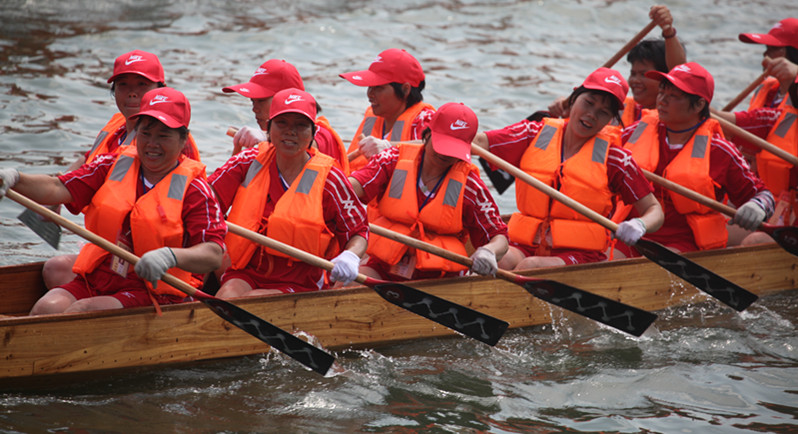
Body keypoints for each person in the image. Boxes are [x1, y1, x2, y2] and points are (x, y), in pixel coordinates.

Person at [0, 87, 226, 315]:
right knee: (46, 308)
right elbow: (57, 187)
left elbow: (213, 254)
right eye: (145, 133)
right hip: (104, 274)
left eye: (163, 135)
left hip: (155, 289)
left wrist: (169, 256)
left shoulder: (196, 190)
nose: (152, 144)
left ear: (183, 139)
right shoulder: (113, 164)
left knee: (81, 311)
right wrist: (16, 178)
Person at [41, 49, 202, 290]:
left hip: (157, 262)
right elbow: (88, 160)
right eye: (123, 85)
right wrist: (58, 191)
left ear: (160, 88)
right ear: (114, 91)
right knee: (53, 269)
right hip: (111, 249)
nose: (133, 92)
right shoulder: (116, 125)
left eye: (142, 84)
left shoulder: (171, 145)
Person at [474, 68, 663, 270]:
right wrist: (442, 130)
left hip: (580, 254)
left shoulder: (616, 159)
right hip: (526, 243)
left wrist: (640, 225)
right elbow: (477, 142)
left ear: (610, 120)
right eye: (588, 103)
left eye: (603, 112)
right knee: (498, 260)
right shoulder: (533, 133)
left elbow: (655, 211)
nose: (591, 114)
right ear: (572, 101)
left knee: (530, 267)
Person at [209, 88, 368, 298]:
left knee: (247, 302)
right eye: (282, 123)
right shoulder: (247, 161)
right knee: (226, 297)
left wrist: (351, 256)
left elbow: (358, 232)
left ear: (313, 133)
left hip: (301, 281)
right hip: (247, 271)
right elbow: (205, 201)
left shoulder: (330, 179)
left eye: (300, 125)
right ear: (268, 127)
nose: (290, 132)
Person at [614, 62, 774, 258]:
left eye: (673, 96)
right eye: (662, 92)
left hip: (684, 244)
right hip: (632, 232)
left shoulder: (721, 151)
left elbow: (763, 195)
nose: (662, 101)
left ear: (699, 105)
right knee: (605, 259)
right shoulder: (635, 133)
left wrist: (757, 206)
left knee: (655, 262)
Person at [348, 102, 507, 280]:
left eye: (453, 149)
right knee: (347, 283)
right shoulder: (391, 160)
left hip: (441, 277)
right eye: (441, 144)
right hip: (385, 267)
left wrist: (489, 251)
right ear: (428, 134)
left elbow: (499, 236)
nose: (445, 155)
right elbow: (352, 187)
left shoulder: (470, 185)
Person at [548, 5, 686, 126]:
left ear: (665, 78)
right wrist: (568, 107)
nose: (635, 81)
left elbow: (680, 75)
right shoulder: (614, 107)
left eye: (643, 74)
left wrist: (668, 32)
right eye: (633, 73)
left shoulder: (681, 114)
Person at [222, 59, 349, 172]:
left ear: (287, 99)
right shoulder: (267, 147)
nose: (254, 109)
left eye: (261, 101)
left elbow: (307, 143)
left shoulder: (321, 133)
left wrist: (266, 137)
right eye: (252, 101)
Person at [714, 18, 798, 165]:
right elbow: (751, 122)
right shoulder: (766, 90)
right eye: (766, 48)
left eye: (773, 49)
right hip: (761, 177)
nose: (765, 56)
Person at [340, 48, 435, 172]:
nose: (370, 94)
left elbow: (436, 148)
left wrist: (388, 147)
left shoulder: (424, 119)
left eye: (379, 87)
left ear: (405, 90)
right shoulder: (373, 115)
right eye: (370, 86)